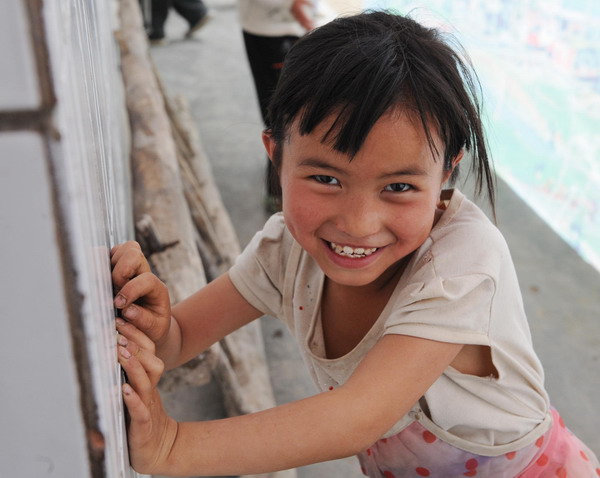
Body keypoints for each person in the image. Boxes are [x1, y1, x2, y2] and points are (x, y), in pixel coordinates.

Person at [111, 11, 600, 477]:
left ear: (447, 172)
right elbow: (177, 339)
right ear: (276, 155)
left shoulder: (464, 266)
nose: (360, 224)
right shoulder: (285, 249)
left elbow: (355, 417)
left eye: (400, 187)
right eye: (325, 177)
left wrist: (173, 446)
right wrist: (148, 325)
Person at [238, 0, 334, 211]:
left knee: (300, 108)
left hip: (301, 23)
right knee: (282, 114)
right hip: (273, 30)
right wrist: (291, 3)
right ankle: (277, 190)